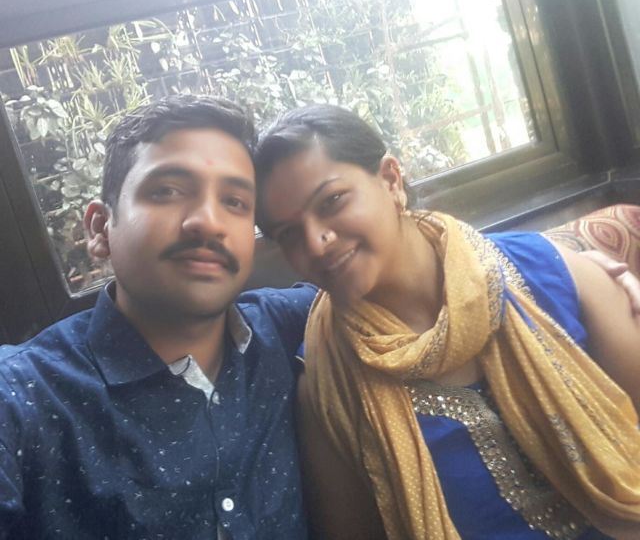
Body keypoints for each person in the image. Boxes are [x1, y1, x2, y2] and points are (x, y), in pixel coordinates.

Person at [254, 104, 640, 540]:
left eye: (332, 201)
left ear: (391, 180)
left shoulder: (548, 274)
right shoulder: (328, 387)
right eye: (289, 233)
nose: (316, 241)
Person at [0, 95, 316, 539]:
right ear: (99, 229)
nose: (208, 221)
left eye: (235, 201)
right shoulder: (23, 399)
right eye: (166, 190)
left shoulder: (283, 325)